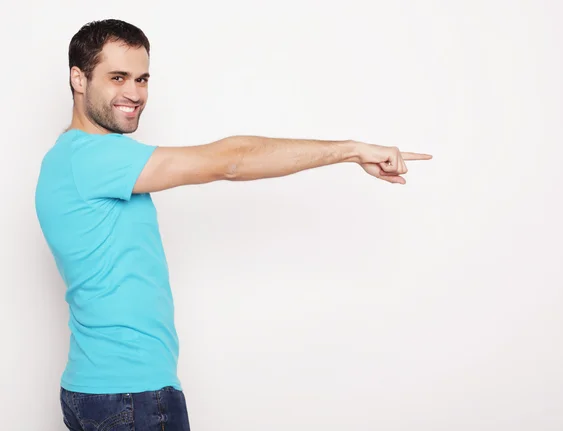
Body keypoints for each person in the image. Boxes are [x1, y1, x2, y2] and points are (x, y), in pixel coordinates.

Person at [35, 18, 432, 431]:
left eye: (142, 78)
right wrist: (350, 151)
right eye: (118, 77)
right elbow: (232, 160)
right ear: (78, 80)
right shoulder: (95, 158)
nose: (134, 93)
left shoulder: (65, 160)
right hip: (131, 396)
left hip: (93, 391)